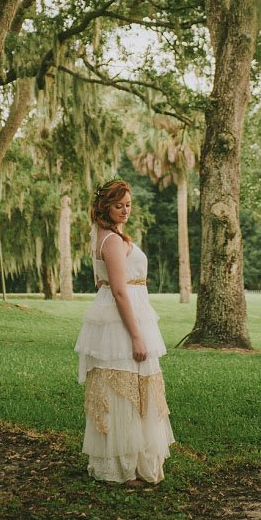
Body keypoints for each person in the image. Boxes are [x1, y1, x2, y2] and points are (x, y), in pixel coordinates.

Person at [74, 179, 174, 485]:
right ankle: (125, 467)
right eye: (119, 206)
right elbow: (118, 291)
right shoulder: (112, 241)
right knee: (125, 390)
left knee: (135, 387)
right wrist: (135, 335)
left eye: (128, 205)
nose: (125, 211)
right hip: (123, 319)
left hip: (130, 310)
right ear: (105, 207)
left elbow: (102, 282)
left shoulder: (107, 237)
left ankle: (130, 462)